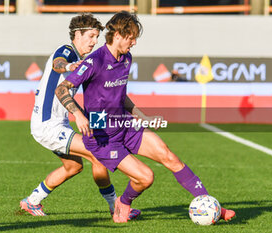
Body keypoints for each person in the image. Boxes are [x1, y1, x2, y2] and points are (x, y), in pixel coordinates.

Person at [56, 11, 235, 223]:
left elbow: (120, 95)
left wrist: (142, 117)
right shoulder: (94, 61)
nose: (133, 43)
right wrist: (78, 114)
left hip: (124, 125)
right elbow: (62, 89)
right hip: (102, 137)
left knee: (169, 156)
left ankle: (211, 204)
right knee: (146, 177)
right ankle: (123, 202)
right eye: (131, 37)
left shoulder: (126, 58)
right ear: (118, 35)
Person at [20, 13, 140, 220]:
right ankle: (115, 207)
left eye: (96, 37)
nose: (94, 42)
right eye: (91, 36)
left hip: (58, 124)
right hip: (48, 125)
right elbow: (59, 63)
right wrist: (68, 67)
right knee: (98, 156)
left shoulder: (86, 61)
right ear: (77, 34)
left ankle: (31, 201)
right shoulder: (67, 51)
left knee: (73, 166)